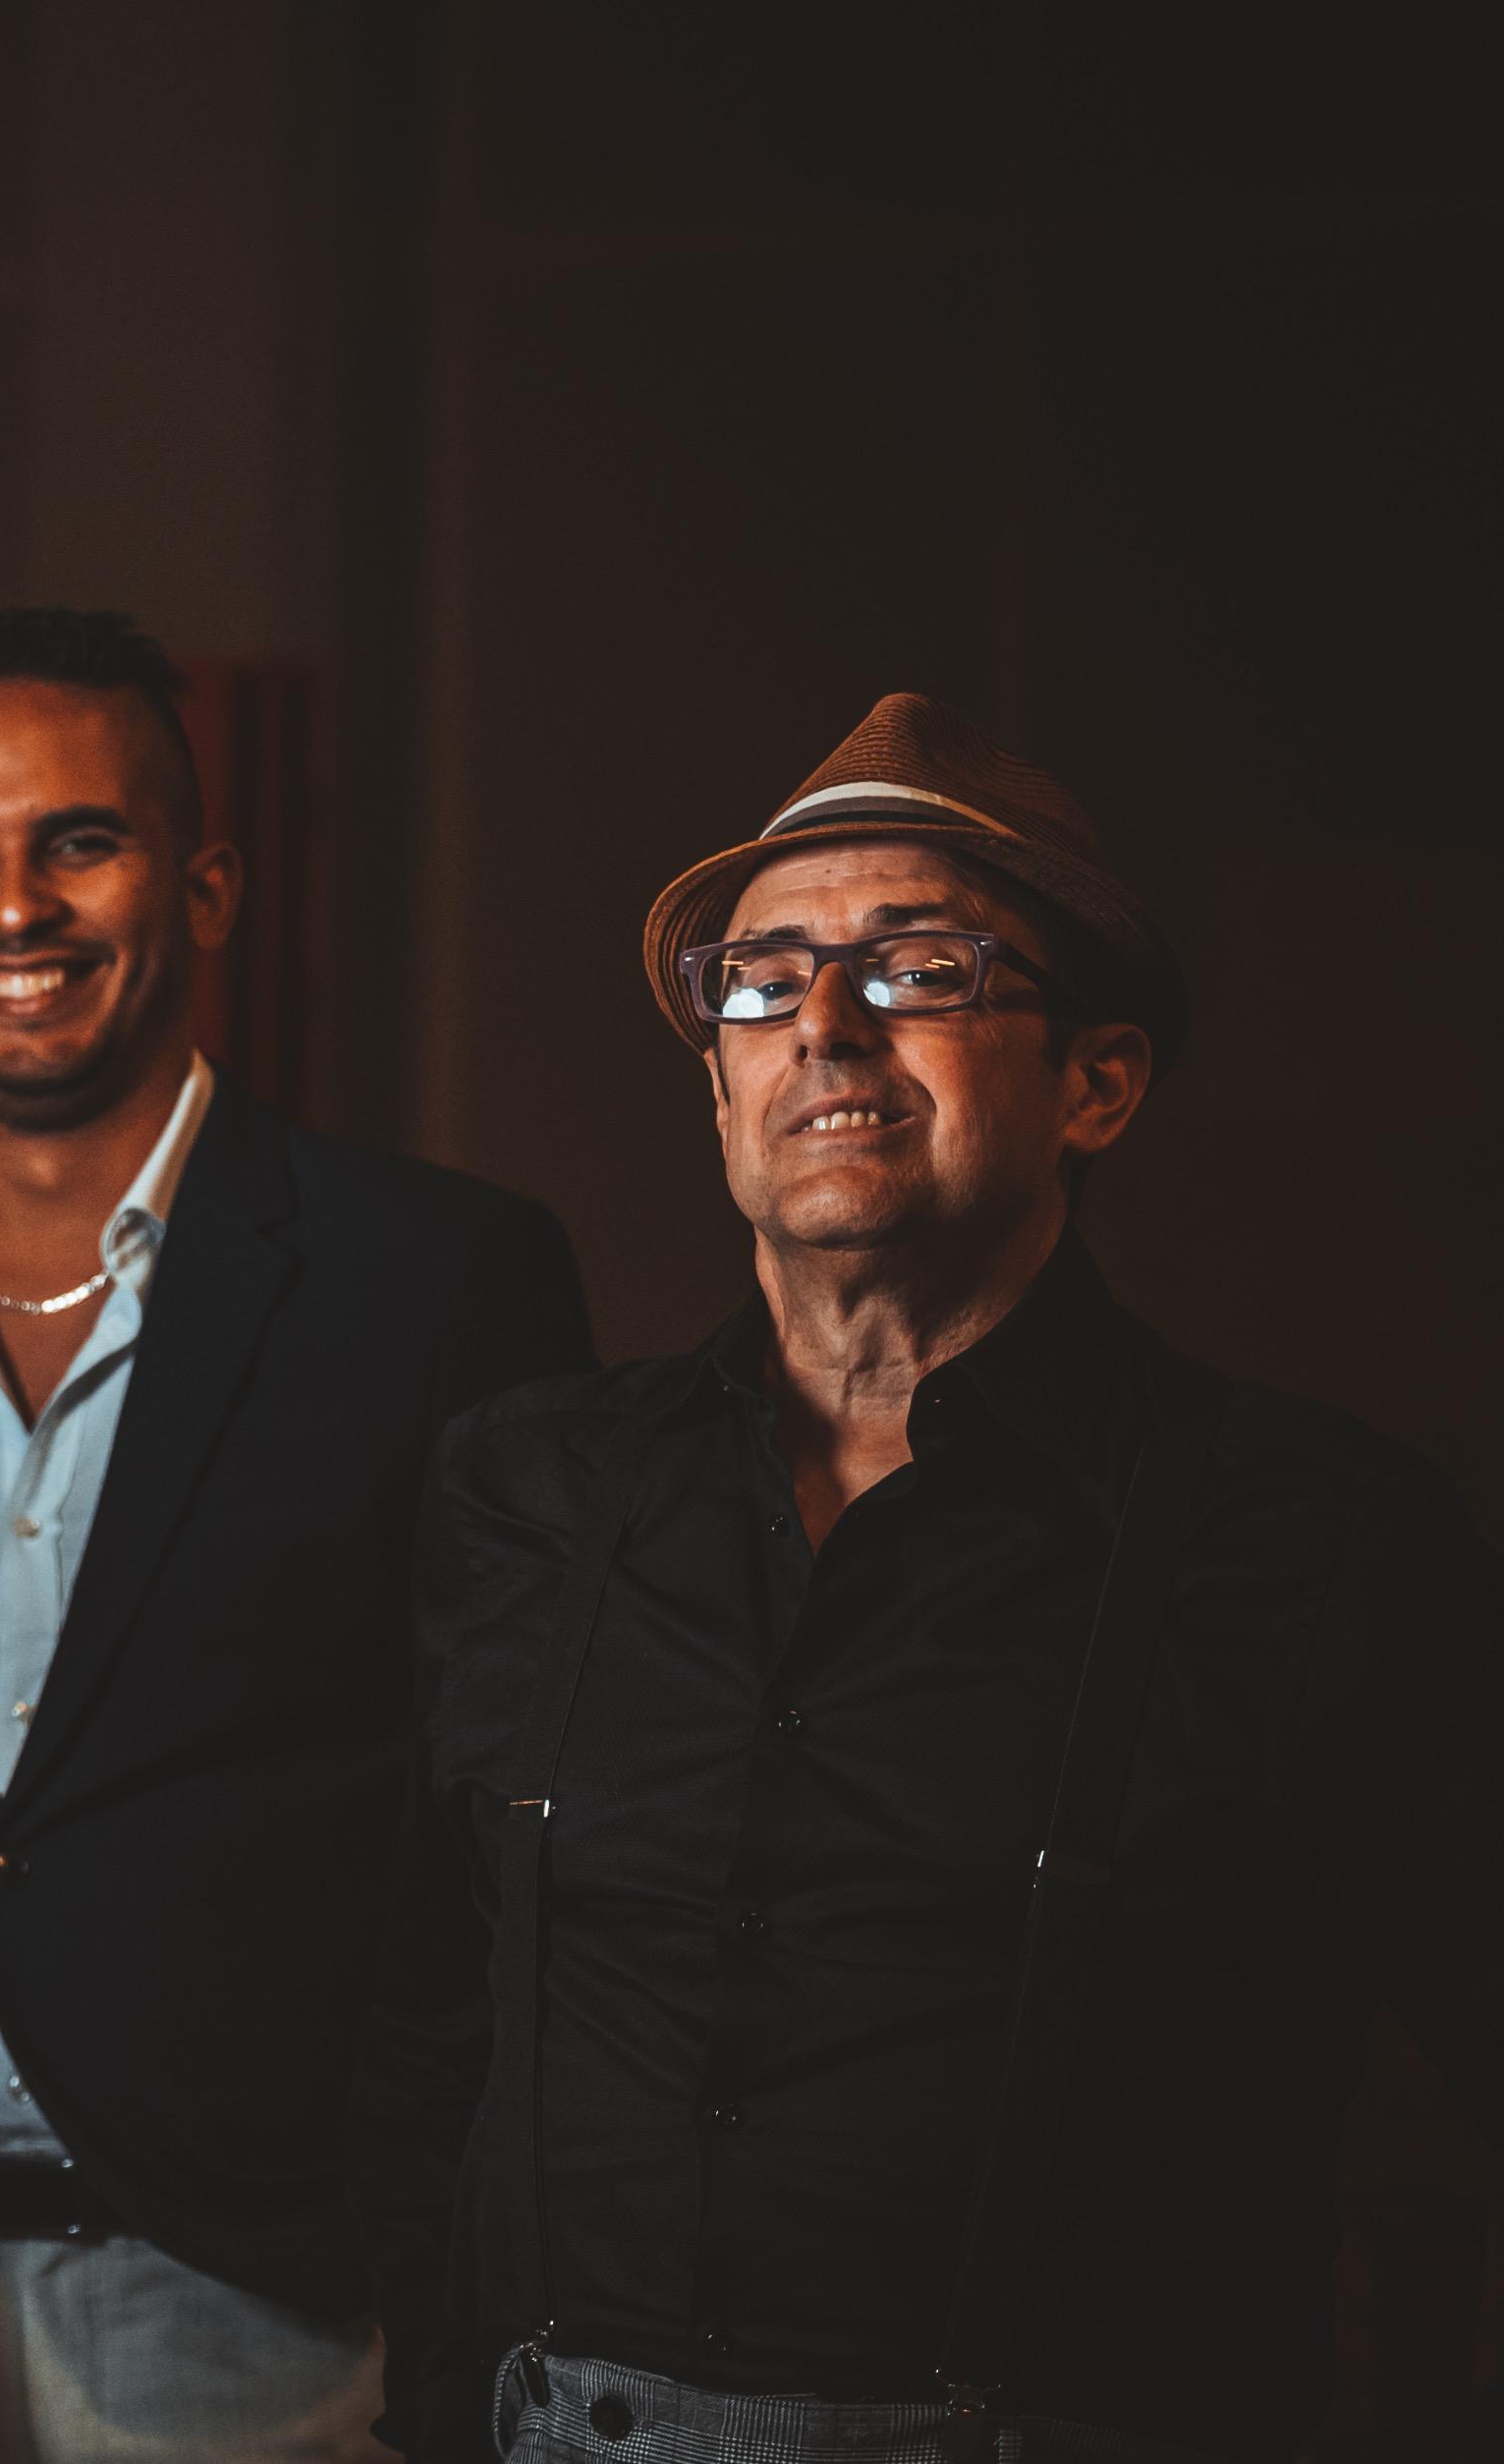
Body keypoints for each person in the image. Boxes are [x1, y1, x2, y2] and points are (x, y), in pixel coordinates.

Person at [362, 694, 1504, 2459]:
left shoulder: (1312, 1535)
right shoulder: (524, 1490)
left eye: (922, 969)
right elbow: (431, 2029)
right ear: (721, 1084)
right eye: (762, 983)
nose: (823, 1025)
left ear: (1098, 1084)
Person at [0, 608, 590, 2462]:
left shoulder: (439, 1281)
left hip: (274, 2307)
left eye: (79, 842)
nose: (15, 907)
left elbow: (526, 1837)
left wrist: (451, 2294)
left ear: (206, 886)